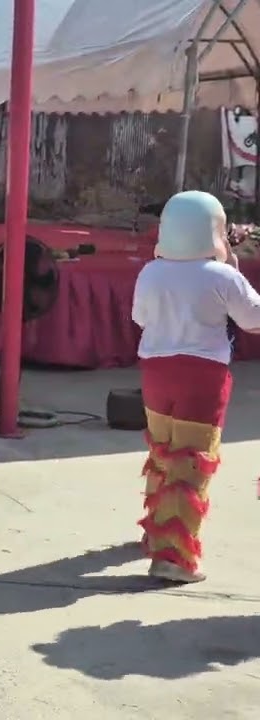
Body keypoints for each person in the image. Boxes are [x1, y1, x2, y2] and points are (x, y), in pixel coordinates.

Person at [133, 190, 260, 583]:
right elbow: (254, 320)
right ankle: (173, 555)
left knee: (163, 450)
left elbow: (139, 318)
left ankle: (156, 531)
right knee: (191, 461)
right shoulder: (222, 276)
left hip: (154, 368)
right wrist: (235, 274)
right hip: (202, 374)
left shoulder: (150, 272)